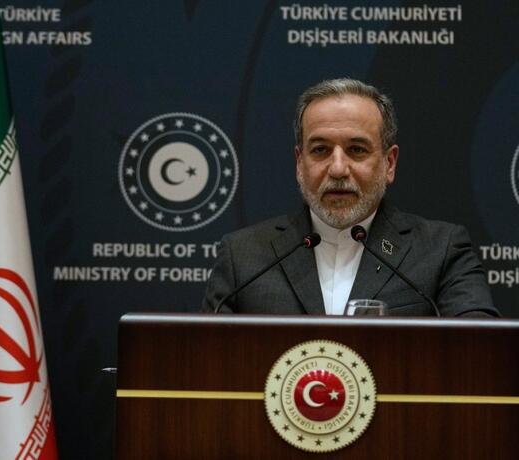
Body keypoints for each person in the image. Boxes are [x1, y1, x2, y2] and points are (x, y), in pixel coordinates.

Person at [203, 78, 498, 317]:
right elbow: (207, 359)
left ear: (389, 163)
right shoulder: (243, 257)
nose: (338, 169)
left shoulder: (441, 251)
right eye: (320, 150)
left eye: (357, 150)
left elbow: (478, 350)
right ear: (299, 163)